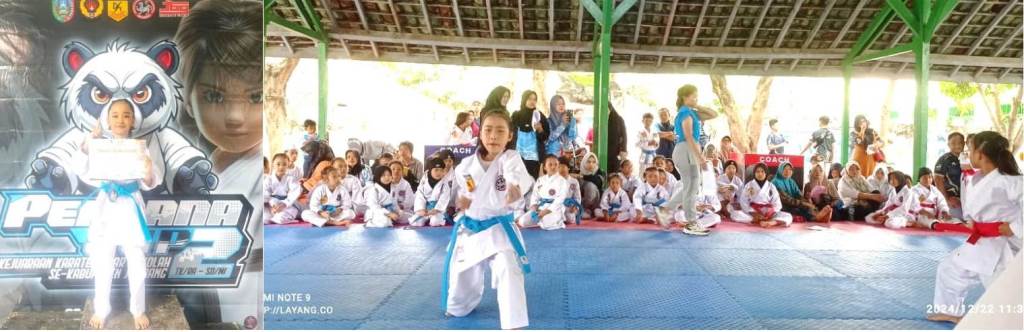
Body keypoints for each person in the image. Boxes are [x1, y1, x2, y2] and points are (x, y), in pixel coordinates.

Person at [443, 110, 533, 330]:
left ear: (509, 136)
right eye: (488, 130)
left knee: (508, 267)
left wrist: (514, 187)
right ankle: (459, 306)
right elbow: (469, 191)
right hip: (471, 229)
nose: (493, 136)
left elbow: (514, 175)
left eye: (500, 131)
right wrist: (464, 201)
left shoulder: (510, 159)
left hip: (499, 229)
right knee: (462, 280)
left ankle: (513, 323)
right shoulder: (465, 166)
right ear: (480, 133)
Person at [927, 131, 1021, 324]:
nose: (967, 154)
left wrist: (1015, 227)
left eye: (970, 150)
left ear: (981, 154)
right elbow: (975, 207)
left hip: (1002, 243)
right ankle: (950, 311)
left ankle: (1011, 321)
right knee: (950, 269)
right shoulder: (976, 178)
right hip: (982, 239)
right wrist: (971, 220)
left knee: (1003, 286)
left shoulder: (1010, 181)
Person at [80, 105, 156, 329]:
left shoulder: (140, 148)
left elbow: (149, 182)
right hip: (106, 206)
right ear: (108, 121)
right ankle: (101, 309)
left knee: (137, 262)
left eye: (126, 115)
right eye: (115, 115)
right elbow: (81, 168)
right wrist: (90, 142)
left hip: (130, 206)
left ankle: (138, 310)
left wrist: (149, 170)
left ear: (133, 121)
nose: (120, 120)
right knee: (102, 260)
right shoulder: (99, 146)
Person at [656, 85, 710, 230]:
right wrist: (701, 158)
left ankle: (666, 210)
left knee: (691, 186)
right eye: (694, 96)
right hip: (686, 149)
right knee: (691, 187)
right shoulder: (685, 112)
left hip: (688, 149)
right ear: (685, 97)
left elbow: (713, 114)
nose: (696, 98)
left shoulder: (691, 112)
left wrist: (697, 105)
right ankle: (691, 221)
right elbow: (689, 136)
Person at [730, 163, 793, 228]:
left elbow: (777, 203)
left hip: (768, 211)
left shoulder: (771, 186)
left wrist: (771, 212)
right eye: (757, 172)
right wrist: (753, 213)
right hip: (754, 210)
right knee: (735, 214)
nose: (760, 174)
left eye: (762, 171)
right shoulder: (749, 185)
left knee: (788, 216)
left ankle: (772, 222)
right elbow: (744, 201)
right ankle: (755, 219)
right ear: (754, 173)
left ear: (766, 173)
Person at [518, 155, 568, 230]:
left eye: (556, 164)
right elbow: (535, 195)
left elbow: (560, 200)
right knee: (522, 221)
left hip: (553, 209)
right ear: (545, 167)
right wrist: (534, 205)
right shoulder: (540, 180)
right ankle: (541, 220)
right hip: (540, 208)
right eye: (550, 164)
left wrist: (546, 211)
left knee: (546, 225)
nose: (553, 167)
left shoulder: (562, 181)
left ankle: (558, 221)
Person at [512, 90, 549, 178]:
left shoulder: (539, 116)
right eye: (529, 99)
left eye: (534, 99)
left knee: (533, 180)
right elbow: (510, 135)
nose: (532, 101)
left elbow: (545, 137)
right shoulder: (516, 115)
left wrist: (540, 130)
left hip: (534, 158)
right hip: (518, 156)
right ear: (524, 99)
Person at [677, 166, 719, 236]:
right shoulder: (681, 185)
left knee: (716, 218)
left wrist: (708, 206)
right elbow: (677, 204)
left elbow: (717, 204)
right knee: (679, 215)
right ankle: (693, 226)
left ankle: (691, 226)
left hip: (701, 214)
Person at [410, 158, 451, 227]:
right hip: (425, 209)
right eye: (436, 170)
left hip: (437, 210)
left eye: (441, 170)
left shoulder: (445, 183)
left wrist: (436, 209)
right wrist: (421, 209)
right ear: (430, 170)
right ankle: (426, 218)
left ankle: (433, 219)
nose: (439, 173)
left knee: (435, 222)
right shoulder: (424, 180)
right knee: (416, 223)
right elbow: (420, 195)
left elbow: (444, 198)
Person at [935, 132, 966, 219]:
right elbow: (938, 180)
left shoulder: (968, 158)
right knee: (955, 225)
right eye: (953, 143)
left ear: (964, 143)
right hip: (953, 203)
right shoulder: (944, 159)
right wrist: (946, 199)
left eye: (960, 143)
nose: (957, 146)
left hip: (967, 202)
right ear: (948, 144)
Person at [264, 153, 301, 225]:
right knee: (264, 219)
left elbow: (295, 191)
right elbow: (265, 194)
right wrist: (272, 206)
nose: (281, 167)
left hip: (286, 205)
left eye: (284, 164)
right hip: (272, 206)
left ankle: (284, 218)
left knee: (280, 218)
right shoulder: (269, 179)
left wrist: (284, 204)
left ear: (288, 165)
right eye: (278, 164)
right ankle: (274, 217)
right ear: (273, 165)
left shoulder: (290, 178)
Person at [545, 95, 577, 159]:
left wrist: (572, 124)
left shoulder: (568, 119)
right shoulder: (548, 121)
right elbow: (550, 137)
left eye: (563, 104)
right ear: (553, 106)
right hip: (553, 155)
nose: (561, 106)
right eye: (558, 104)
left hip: (567, 153)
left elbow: (572, 137)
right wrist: (562, 125)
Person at [579, 152, 605, 219]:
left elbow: (598, 182)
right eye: (588, 162)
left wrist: (582, 176)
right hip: (583, 202)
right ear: (584, 162)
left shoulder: (599, 172)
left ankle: (594, 210)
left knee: (590, 186)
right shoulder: (579, 171)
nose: (591, 164)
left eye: (593, 162)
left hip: (596, 201)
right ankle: (584, 210)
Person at [606, 103, 628, 173]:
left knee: (614, 170)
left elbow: (624, 136)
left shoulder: (618, 119)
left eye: (607, 109)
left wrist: (624, 150)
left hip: (616, 150)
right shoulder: (600, 119)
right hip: (604, 150)